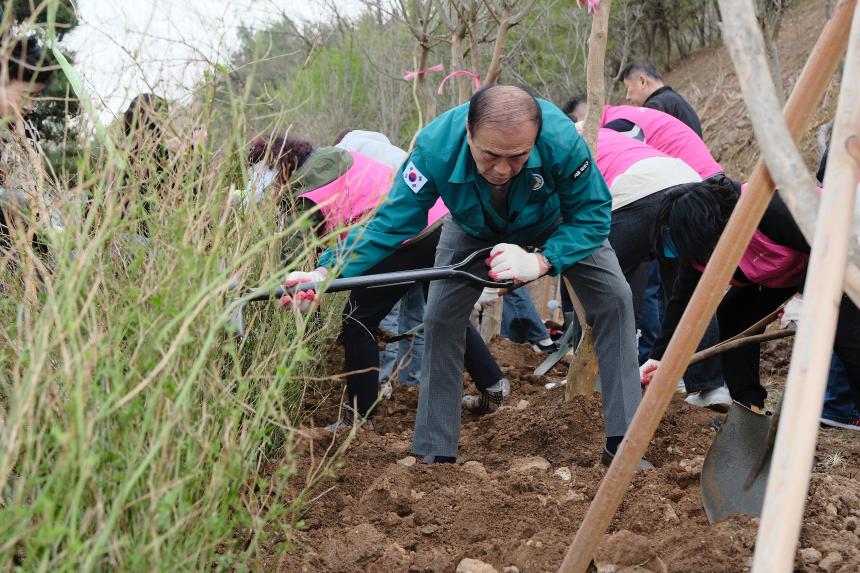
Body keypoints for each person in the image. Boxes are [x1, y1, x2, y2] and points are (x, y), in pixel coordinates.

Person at [289, 85, 650, 469]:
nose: (501, 170)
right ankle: (434, 450)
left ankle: (624, 445)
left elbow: (593, 214)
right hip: (472, 225)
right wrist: (326, 270)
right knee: (441, 317)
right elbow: (391, 224)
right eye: (490, 154)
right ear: (468, 131)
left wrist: (544, 261)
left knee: (614, 299)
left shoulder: (562, 140)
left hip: (556, 221)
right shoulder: (434, 149)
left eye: (518, 158)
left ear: (536, 138)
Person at [248, 134, 511, 430]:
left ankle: (359, 418)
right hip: (440, 221)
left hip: (403, 234)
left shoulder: (304, 187)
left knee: (357, 319)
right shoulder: (333, 158)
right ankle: (493, 387)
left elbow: (295, 261)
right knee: (446, 313)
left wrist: (292, 302)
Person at [643, 179, 860, 415]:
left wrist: (803, 297)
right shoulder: (699, 249)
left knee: (847, 336)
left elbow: (824, 241)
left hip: (841, 248)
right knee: (734, 315)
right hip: (791, 268)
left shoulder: (767, 207)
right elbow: (682, 302)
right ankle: (749, 407)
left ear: (705, 226)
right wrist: (658, 358)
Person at [0, 35, 59, 259]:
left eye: (36, 97)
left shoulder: (28, 133)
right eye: (25, 95)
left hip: (26, 253)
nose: (30, 105)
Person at [619, 59, 702, 136]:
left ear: (642, 81)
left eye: (627, 87)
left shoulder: (655, 106)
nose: (627, 97)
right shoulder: (675, 101)